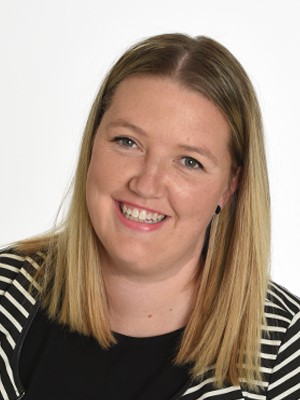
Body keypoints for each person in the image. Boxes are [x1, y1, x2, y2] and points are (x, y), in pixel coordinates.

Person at [0, 33, 299, 400]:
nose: (146, 184)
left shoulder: (286, 352)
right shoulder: (6, 290)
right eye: (128, 142)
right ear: (92, 142)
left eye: (189, 161)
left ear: (230, 185)